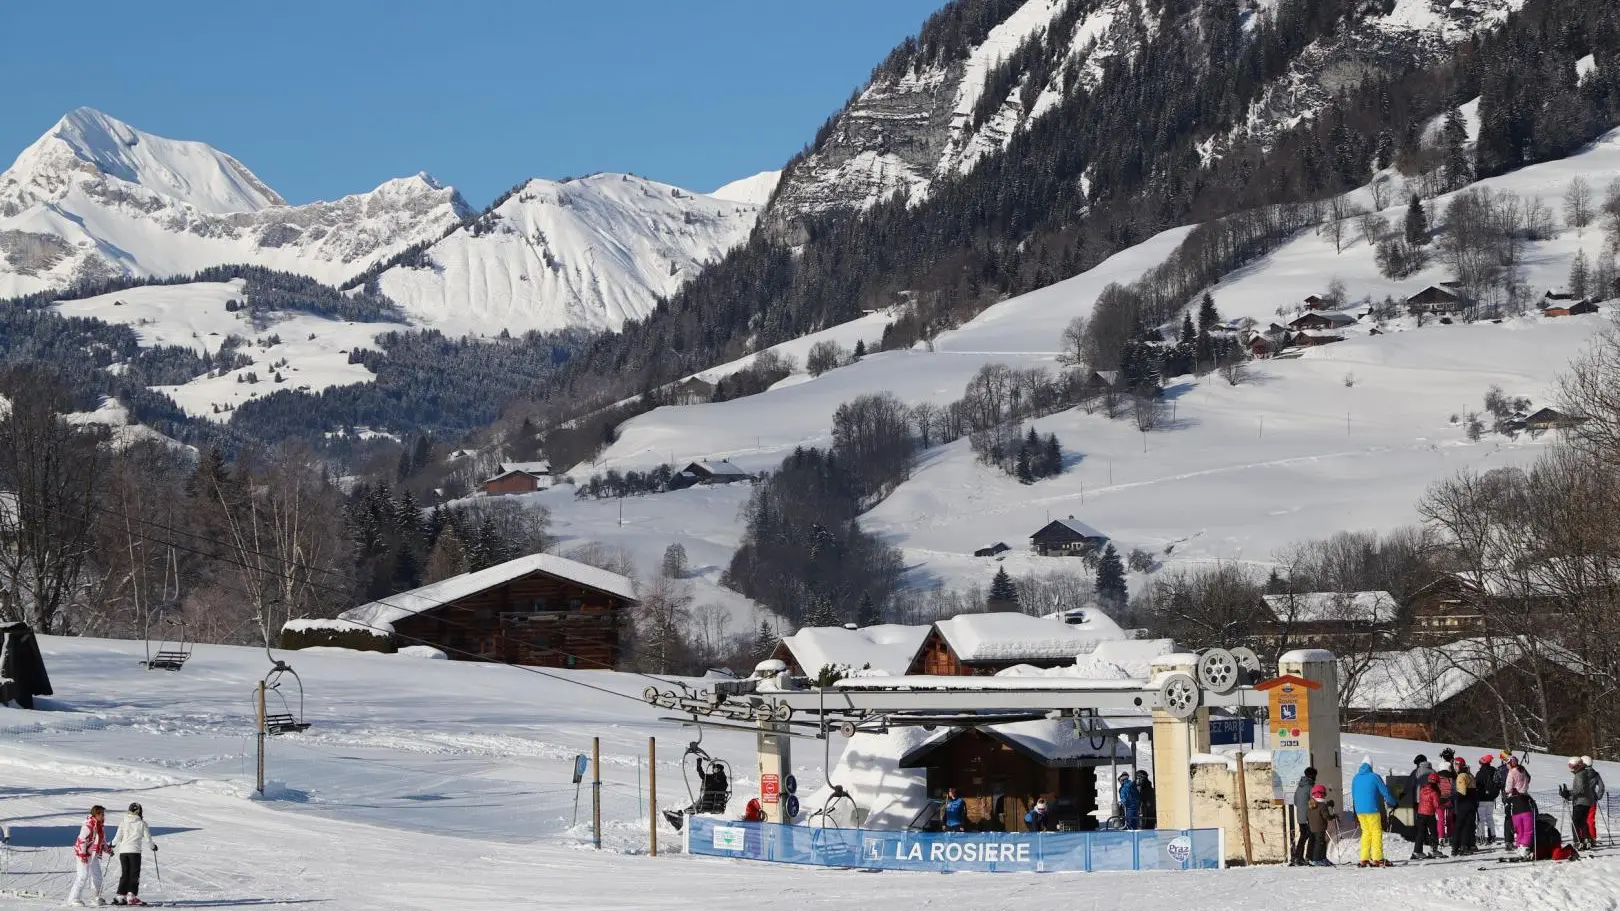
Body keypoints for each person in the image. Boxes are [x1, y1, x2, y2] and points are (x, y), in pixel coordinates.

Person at [1351, 757, 1397, 867]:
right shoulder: (1374, 777)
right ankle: (1377, 858)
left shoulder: (1355, 778)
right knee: (1376, 832)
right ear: (1371, 766)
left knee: (1366, 832)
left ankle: (1364, 858)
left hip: (1359, 810)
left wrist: (1355, 812)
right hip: (1372, 809)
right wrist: (1393, 802)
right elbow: (1385, 792)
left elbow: (1353, 796)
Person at [110, 802, 156, 907]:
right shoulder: (142, 823)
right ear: (139, 811)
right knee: (134, 874)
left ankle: (121, 896)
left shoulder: (123, 822)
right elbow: (148, 838)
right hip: (134, 852)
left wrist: (112, 844)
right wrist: (153, 847)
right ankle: (131, 896)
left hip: (123, 852)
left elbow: (118, 837)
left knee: (125, 873)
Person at [68, 805, 113, 907]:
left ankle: (95, 897)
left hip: (94, 855)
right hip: (83, 855)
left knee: (97, 876)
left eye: (103, 814)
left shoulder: (100, 826)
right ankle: (73, 899)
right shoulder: (88, 826)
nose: (103, 816)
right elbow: (81, 841)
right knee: (82, 876)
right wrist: (83, 855)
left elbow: (102, 842)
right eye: (101, 814)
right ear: (96, 814)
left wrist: (108, 850)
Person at [1561, 756, 1604, 850]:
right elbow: (1601, 787)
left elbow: (1579, 790)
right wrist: (1597, 797)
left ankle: (1579, 840)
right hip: (1591, 800)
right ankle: (1589, 839)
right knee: (1587, 821)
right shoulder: (1595, 774)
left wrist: (1568, 794)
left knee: (1577, 822)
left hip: (1581, 801)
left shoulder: (1580, 774)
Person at [1292, 766, 1319, 866]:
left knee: (1303, 837)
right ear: (1312, 776)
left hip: (1300, 816)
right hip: (1308, 817)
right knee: (1310, 837)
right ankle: (1308, 857)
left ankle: (1297, 858)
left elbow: (1295, 801)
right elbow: (1314, 803)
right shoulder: (1310, 787)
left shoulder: (1299, 786)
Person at [1411, 773, 1442, 860]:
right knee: (1433, 833)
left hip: (1420, 814)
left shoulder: (1422, 789)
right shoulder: (1434, 792)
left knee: (1420, 833)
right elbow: (1436, 805)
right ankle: (1433, 850)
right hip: (1430, 815)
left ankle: (1417, 851)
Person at [1452, 758, 1478, 855]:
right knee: (1467, 826)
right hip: (1471, 803)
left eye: (1456, 765)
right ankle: (1465, 846)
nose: (1455, 767)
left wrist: (1454, 797)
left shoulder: (1461, 776)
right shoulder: (1470, 775)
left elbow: (1462, 792)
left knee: (1459, 825)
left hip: (1463, 803)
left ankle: (1456, 847)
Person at [1306, 784, 1337, 866]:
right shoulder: (1322, 805)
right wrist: (1332, 817)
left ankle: (1321, 858)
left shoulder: (1310, 805)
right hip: (1320, 828)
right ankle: (1317, 859)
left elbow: (1308, 816)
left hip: (1312, 828)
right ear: (1323, 794)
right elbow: (1326, 816)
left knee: (1320, 843)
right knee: (1319, 844)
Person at [1475, 754, 1500, 845]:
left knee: (1481, 819)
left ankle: (1481, 836)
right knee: (1490, 817)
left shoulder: (1480, 773)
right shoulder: (1494, 771)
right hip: (1491, 799)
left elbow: (1475, 785)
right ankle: (1492, 835)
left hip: (1481, 799)